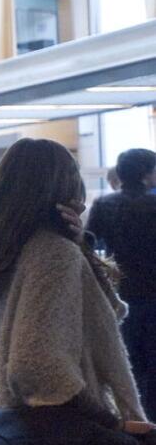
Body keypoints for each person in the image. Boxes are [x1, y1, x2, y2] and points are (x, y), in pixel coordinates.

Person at [0, 138, 149, 435]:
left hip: (16, 422)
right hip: (68, 432)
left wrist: (80, 249)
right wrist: (110, 424)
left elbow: (105, 311)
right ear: (64, 185)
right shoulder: (53, 252)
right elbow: (35, 366)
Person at [85, 147, 156, 415]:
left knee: (128, 364)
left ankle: (133, 420)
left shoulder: (104, 204)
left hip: (121, 294)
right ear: (147, 174)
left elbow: (88, 245)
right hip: (154, 294)